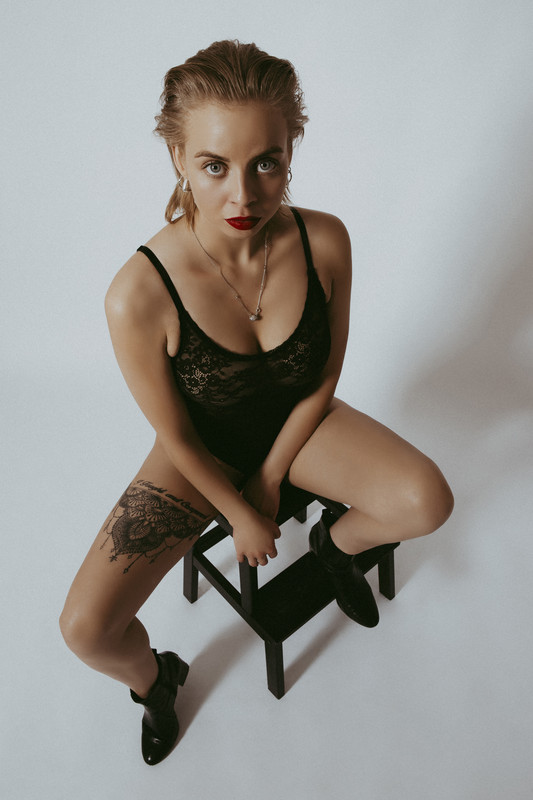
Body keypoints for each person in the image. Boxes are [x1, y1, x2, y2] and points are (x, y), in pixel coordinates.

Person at [59, 40, 454, 766]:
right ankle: (155, 682)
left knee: (427, 500)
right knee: (86, 630)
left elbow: (322, 378)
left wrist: (271, 478)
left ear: (290, 147)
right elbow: (176, 435)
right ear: (177, 156)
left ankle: (336, 548)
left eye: (265, 162)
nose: (243, 196)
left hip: (300, 428)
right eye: (214, 165)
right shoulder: (138, 293)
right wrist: (238, 512)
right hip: (198, 453)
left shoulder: (324, 240)